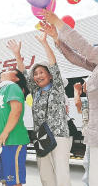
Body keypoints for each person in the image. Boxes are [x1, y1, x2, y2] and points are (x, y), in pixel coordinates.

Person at [42, 10, 98, 186]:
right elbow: (76, 58)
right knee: (91, 177)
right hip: (94, 135)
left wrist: (59, 23)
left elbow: (86, 49)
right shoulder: (95, 68)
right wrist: (57, 40)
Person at [7, 35, 71, 186]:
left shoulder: (57, 88)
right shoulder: (35, 92)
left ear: (49, 75)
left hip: (59, 136)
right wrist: (17, 54)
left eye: (41, 72)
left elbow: (54, 65)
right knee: (45, 174)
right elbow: (23, 75)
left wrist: (44, 43)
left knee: (62, 174)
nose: (37, 76)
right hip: (41, 137)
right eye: (35, 74)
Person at [0, 51, 30, 186]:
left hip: (12, 141)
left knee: (14, 181)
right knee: (5, 180)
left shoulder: (13, 87)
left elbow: (16, 112)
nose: (5, 70)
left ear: (16, 78)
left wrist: (4, 133)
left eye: (11, 70)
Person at [74, 82, 89, 186]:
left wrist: (76, 91)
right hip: (90, 135)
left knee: (89, 163)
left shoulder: (90, 99)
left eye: (85, 83)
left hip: (92, 136)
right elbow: (79, 109)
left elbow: (77, 104)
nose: (83, 84)